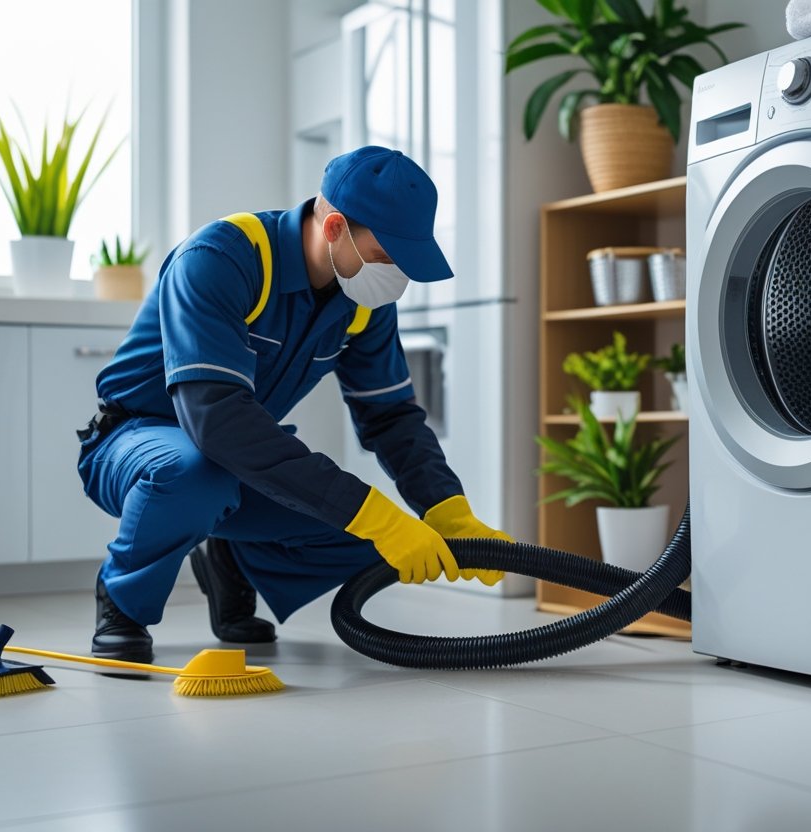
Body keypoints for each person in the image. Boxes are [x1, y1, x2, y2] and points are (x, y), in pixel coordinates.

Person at [76, 146, 511, 663]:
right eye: (384, 255)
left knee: (378, 540)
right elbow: (216, 419)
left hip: (238, 457)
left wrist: (446, 509)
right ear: (334, 229)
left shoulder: (363, 303)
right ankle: (122, 602)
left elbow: (392, 417)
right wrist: (370, 511)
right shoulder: (220, 260)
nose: (394, 274)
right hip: (134, 440)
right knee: (198, 472)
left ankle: (233, 559)